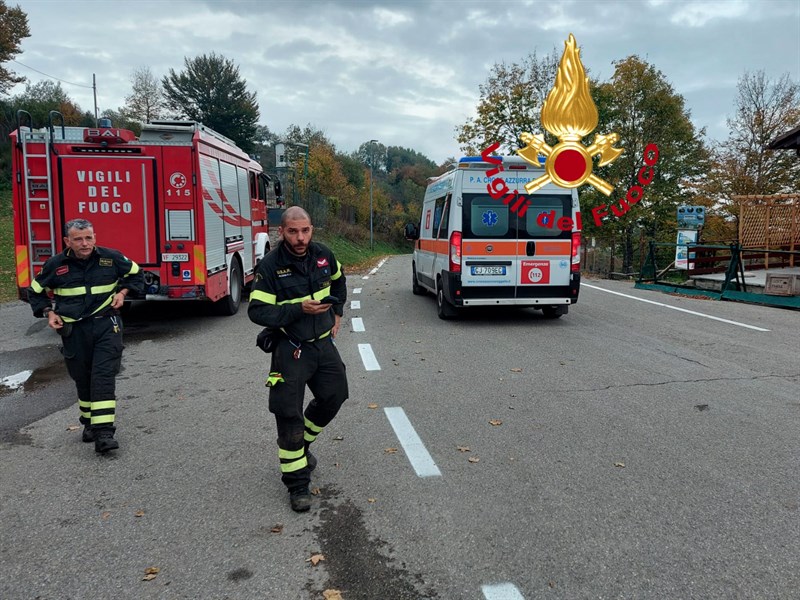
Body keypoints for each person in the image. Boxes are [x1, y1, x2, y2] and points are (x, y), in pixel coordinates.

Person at [248, 206, 349, 512]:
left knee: (335, 395)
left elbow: (339, 279)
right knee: (287, 414)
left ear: (312, 229)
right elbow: (257, 311)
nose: (300, 237)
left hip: (322, 345)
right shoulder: (270, 265)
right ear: (283, 232)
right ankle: (297, 484)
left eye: (305, 230)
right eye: (293, 231)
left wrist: (338, 313)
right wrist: (298, 310)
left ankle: (302, 447)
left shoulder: (323, 254)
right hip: (289, 349)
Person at [27, 219, 144, 454]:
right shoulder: (55, 265)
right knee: (82, 376)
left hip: (106, 325)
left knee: (102, 374)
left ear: (95, 237)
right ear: (67, 241)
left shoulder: (111, 258)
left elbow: (137, 275)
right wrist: (49, 313)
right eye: (78, 239)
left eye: (88, 237)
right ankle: (89, 422)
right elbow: (35, 291)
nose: (84, 243)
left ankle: (104, 433)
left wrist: (122, 293)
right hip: (74, 331)